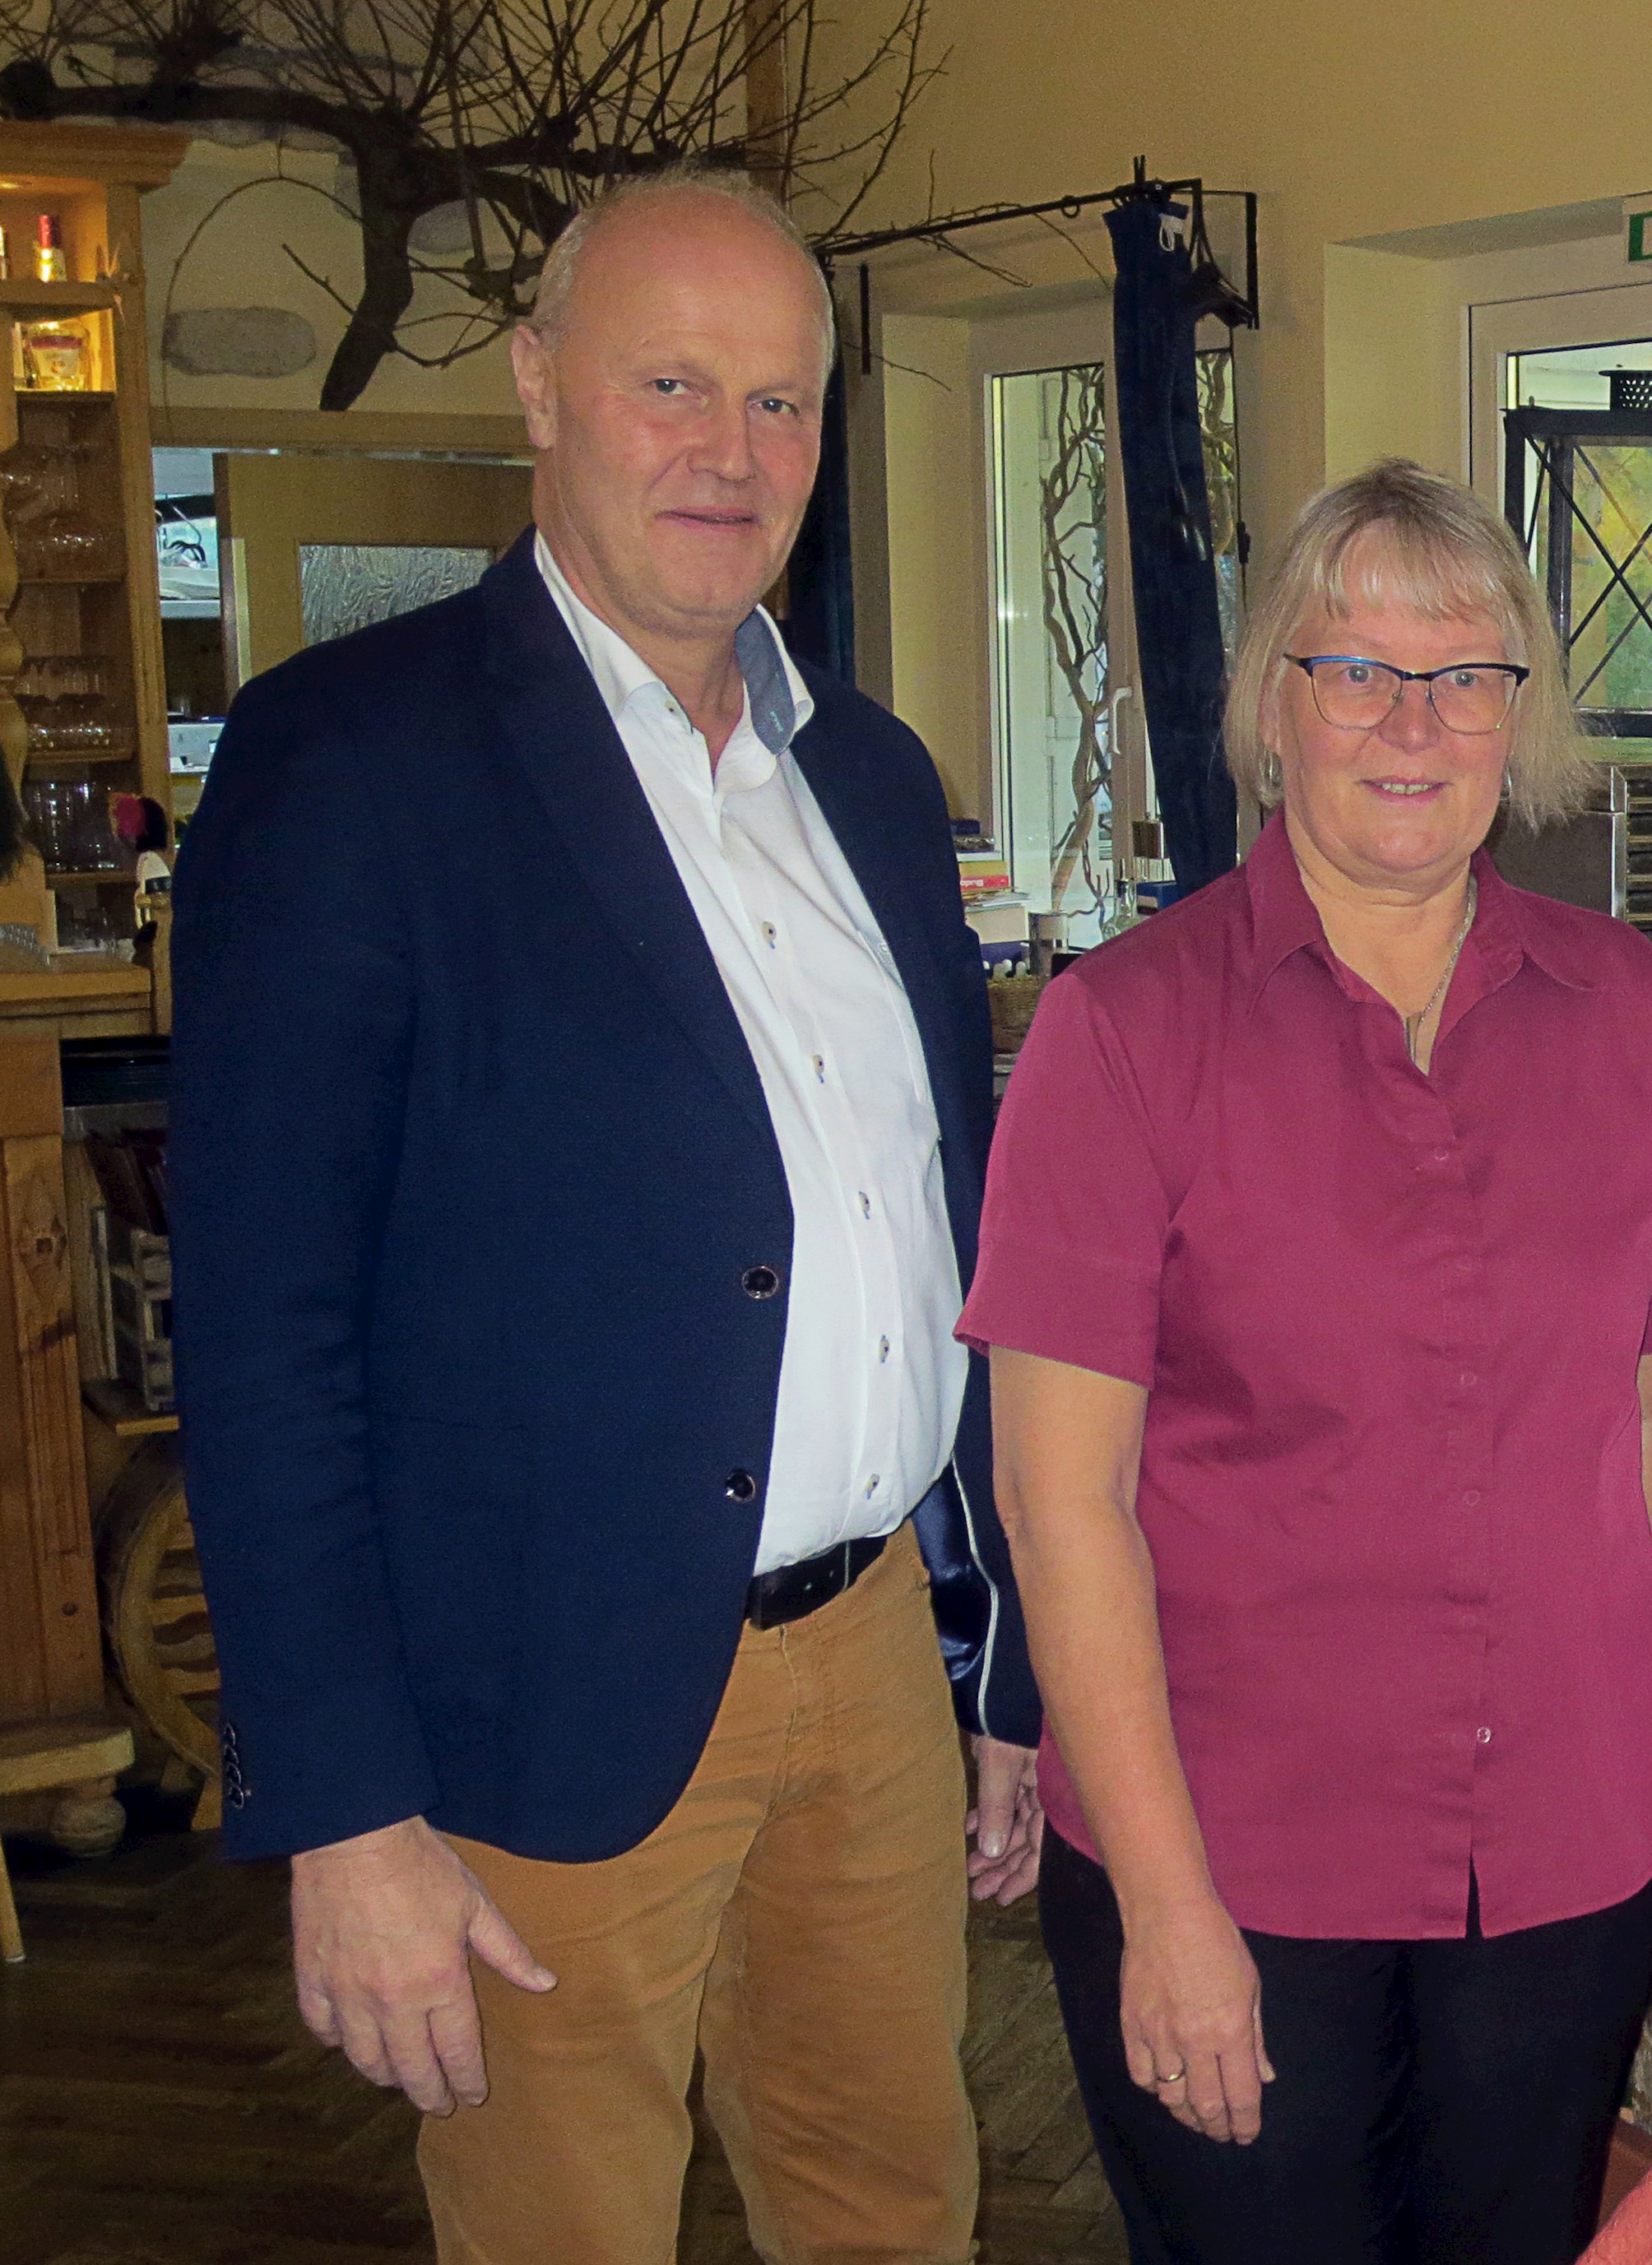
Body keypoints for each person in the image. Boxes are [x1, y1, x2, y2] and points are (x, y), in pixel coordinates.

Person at [169, 169, 1041, 2261]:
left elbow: (955, 1230)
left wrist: (1006, 1661)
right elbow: (262, 1324)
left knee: (892, 2216)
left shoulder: (877, 784)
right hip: (529, 1707)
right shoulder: (347, 763)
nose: (729, 455)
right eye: (670, 382)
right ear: (538, 386)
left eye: (780, 402)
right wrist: (347, 1810)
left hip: (866, 1671)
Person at [959, 460, 1652, 2265]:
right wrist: (1162, 1909)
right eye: (1357, 671)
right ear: (1273, 702)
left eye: (1465, 673)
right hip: (1239, 1852)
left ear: (1519, 715)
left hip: (1569, 1840)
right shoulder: (1123, 1033)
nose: (1414, 721)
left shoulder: (1623, 1009)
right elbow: (1056, 1499)